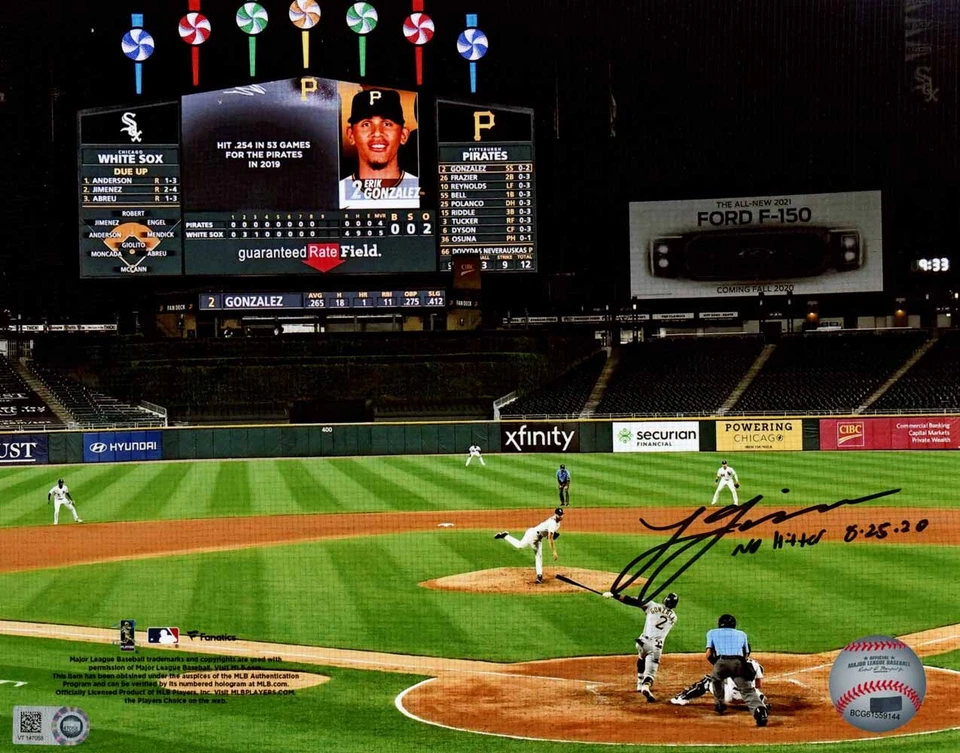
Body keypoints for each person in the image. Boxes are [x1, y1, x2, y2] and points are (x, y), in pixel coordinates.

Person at [339, 88, 419, 208]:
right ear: (351, 135)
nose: (377, 133)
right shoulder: (336, 194)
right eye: (366, 124)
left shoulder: (422, 193)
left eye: (387, 124)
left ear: (403, 135)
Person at [601, 590, 678, 701]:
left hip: (642, 642)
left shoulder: (651, 605)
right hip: (656, 647)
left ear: (665, 600)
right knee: (651, 672)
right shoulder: (674, 618)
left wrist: (615, 596)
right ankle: (645, 686)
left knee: (641, 658)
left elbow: (632, 601)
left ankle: (639, 682)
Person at [705, 614, 768, 727]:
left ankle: (720, 704)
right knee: (747, 690)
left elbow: (708, 654)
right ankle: (760, 712)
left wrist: (717, 664)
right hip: (739, 663)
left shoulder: (712, 632)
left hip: (721, 661)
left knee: (716, 679)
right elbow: (746, 654)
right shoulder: (742, 634)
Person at [494, 507, 563, 584]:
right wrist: (554, 551)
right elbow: (550, 538)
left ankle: (539, 576)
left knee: (538, 555)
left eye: (562, 515)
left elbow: (547, 535)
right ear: (555, 514)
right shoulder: (552, 523)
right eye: (559, 515)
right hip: (532, 534)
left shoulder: (558, 523)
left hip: (537, 538)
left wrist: (552, 534)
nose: (561, 516)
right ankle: (505, 536)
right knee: (520, 546)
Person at [670, 657, 770, 710]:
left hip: (729, 696)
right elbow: (758, 685)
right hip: (749, 698)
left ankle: (682, 698)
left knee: (708, 680)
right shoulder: (756, 664)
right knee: (757, 693)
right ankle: (760, 702)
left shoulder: (728, 662)